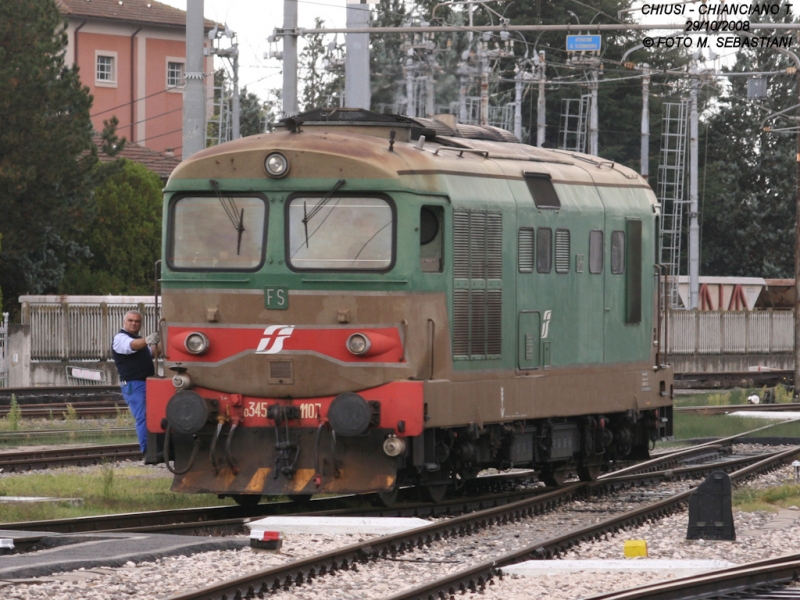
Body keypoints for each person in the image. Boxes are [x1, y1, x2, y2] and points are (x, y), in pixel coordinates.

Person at [112, 310, 161, 463]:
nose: (134, 323)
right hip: (134, 384)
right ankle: (147, 450)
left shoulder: (139, 340)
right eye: (131, 320)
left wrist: (164, 342)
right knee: (143, 416)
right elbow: (132, 346)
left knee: (153, 415)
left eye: (137, 321)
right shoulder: (120, 339)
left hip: (147, 383)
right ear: (124, 322)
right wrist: (148, 339)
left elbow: (150, 352)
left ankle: (158, 448)